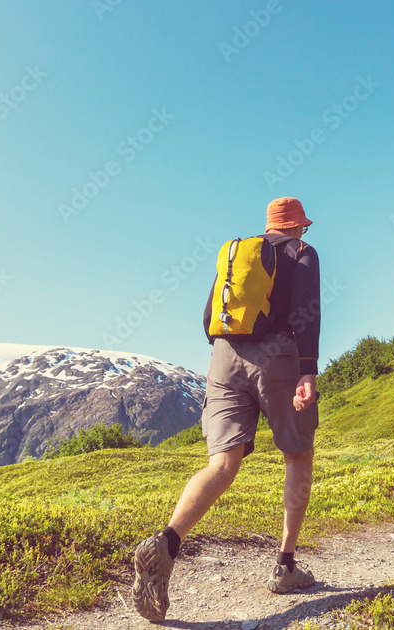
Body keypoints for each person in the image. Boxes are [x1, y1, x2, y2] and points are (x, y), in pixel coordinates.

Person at [132, 197, 322, 623]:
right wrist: (305, 370)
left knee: (222, 463)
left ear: (269, 224)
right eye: (303, 228)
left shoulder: (240, 253)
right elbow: (308, 313)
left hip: (223, 355)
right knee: (297, 454)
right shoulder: (302, 253)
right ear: (297, 227)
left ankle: (167, 541)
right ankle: (285, 566)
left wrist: (232, 354)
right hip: (278, 356)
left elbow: (208, 318)